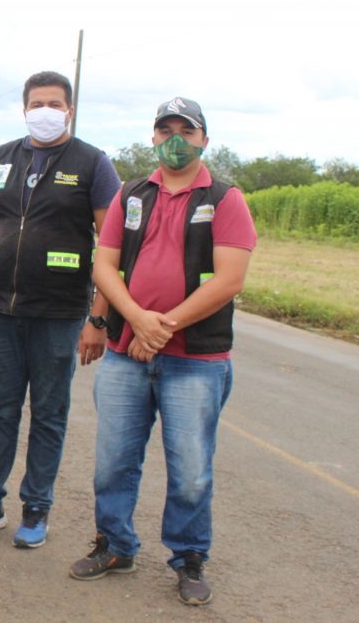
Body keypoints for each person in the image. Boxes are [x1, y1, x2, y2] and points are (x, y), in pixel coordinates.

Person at [68, 97, 256, 607]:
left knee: (191, 467)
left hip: (196, 360)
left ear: (204, 139)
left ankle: (189, 557)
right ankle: (115, 545)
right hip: (127, 354)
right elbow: (104, 265)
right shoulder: (132, 194)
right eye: (165, 129)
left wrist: (163, 326)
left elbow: (230, 278)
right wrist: (136, 319)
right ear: (152, 136)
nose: (175, 138)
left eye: (186, 130)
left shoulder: (224, 198)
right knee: (113, 461)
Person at [0, 71, 121, 549]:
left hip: (60, 316)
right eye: (37, 103)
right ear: (24, 109)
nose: (45, 111)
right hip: (0, 311)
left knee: (48, 414)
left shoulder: (92, 164)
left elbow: (113, 245)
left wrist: (98, 318)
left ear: (70, 110)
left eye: (54, 103)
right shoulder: (1, 159)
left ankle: (37, 508)